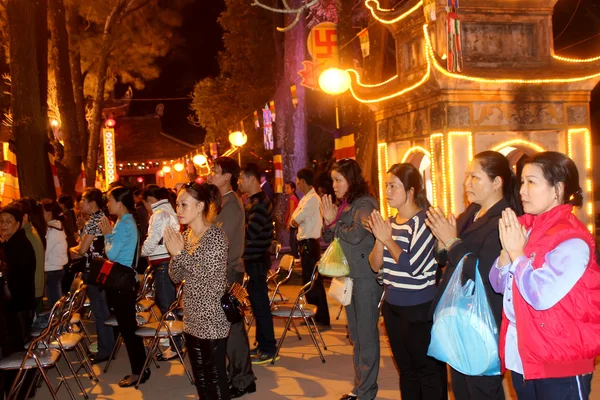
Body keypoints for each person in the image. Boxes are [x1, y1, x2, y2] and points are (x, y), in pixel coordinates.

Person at [490, 152, 600, 399]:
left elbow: (540, 295)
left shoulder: (572, 240)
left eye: (532, 182)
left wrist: (516, 253)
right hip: (524, 354)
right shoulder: (526, 228)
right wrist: (507, 254)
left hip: (559, 360)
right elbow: (498, 285)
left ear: (557, 189)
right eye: (522, 182)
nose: (522, 191)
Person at [425, 151, 520, 400]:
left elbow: (484, 272)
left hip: (484, 320)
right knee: (461, 389)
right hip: (459, 317)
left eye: (475, 177)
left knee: (481, 390)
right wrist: (441, 240)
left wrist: (451, 240)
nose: (467, 183)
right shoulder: (472, 212)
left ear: (497, 182)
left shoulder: (504, 219)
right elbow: (445, 259)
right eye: (467, 176)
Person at [368, 163, 446, 400]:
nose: (388, 191)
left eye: (394, 186)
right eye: (386, 186)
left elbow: (413, 267)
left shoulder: (423, 222)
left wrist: (387, 239)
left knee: (427, 372)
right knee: (407, 371)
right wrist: (380, 240)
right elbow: (374, 265)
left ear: (411, 191)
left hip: (419, 309)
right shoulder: (389, 222)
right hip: (393, 307)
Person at [321, 159, 382, 400]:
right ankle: (359, 388)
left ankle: (366, 392)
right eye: (333, 180)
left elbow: (356, 235)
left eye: (338, 180)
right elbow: (328, 236)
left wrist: (334, 222)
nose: (334, 185)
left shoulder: (365, 203)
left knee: (366, 338)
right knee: (356, 337)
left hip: (365, 278)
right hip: (350, 278)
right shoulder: (347, 204)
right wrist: (329, 221)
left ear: (351, 180)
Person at [165, 182, 231, 399]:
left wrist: (181, 255)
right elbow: (175, 277)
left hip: (212, 316)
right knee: (200, 376)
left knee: (215, 376)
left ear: (200, 206)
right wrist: (176, 254)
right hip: (192, 315)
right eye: (177, 204)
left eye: (184, 204)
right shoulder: (186, 237)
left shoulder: (215, 237)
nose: (179, 210)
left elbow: (211, 280)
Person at [209, 157, 256, 397]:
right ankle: (237, 374)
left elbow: (217, 240)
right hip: (226, 270)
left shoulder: (230, 205)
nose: (210, 175)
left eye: (214, 172)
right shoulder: (221, 203)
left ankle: (243, 379)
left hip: (230, 271)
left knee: (233, 326)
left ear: (227, 176)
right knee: (228, 325)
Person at [100, 186, 148, 387]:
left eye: (110, 200)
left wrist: (107, 235)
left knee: (129, 329)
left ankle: (139, 370)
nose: (108, 204)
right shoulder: (124, 221)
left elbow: (111, 254)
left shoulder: (124, 224)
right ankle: (141, 367)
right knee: (128, 328)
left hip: (122, 283)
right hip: (123, 282)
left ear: (120, 203)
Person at [69, 188, 115, 364]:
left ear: (91, 203)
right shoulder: (102, 218)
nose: (80, 204)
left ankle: (105, 349)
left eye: (82, 200)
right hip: (103, 269)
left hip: (94, 270)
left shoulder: (94, 221)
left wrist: (71, 250)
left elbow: (81, 250)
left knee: (100, 312)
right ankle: (107, 346)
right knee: (103, 310)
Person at [238, 163, 277, 365]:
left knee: (261, 306)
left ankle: (269, 348)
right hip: (255, 260)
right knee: (257, 304)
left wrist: (238, 228)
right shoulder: (254, 201)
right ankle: (262, 345)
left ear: (252, 178)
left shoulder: (260, 203)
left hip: (257, 261)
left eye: (241, 178)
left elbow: (250, 233)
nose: (239, 182)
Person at [140, 185, 181, 361]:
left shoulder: (159, 214)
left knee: (166, 305)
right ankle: (176, 341)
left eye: (144, 204)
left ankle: (175, 346)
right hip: (166, 261)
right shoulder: (167, 210)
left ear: (150, 200)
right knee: (169, 303)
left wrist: (142, 251)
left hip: (163, 262)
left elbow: (153, 238)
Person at [0, 205, 36, 399]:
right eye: (1, 221)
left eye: (8, 221)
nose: (3, 225)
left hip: (19, 307)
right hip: (19, 305)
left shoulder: (18, 245)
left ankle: (20, 391)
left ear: (18, 223)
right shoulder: (11, 242)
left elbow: (13, 278)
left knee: (16, 352)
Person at [290, 168, 330, 328]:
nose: (297, 184)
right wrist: (295, 219)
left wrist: (295, 220)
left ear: (303, 181)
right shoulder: (306, 198)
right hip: (304, 244)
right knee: (308, 281)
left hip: (310, 244)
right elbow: (294, 218)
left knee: (314, 282)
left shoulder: (312, 199)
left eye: (298, 181)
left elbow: (295, 220)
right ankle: (312, 316)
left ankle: (322, 319)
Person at [16, 198, 46, 312]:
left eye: (9, 220)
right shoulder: (32, 230)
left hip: (32, 290)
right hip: (36, 288)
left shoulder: (25, 236)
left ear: (24, 217)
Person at [41, 199, 68, 306]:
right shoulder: (56, 227)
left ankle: (59, 322)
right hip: (54, 268)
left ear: (48, 213)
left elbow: (46, 250)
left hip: (53, 269)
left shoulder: (53, 230)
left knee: (56, 304)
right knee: (55, 301)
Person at [58, 195, 80, 293]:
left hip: (69, 246)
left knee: (68, 273)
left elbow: (71, 230)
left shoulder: (66, 216)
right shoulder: (72, 213)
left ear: (62, 205)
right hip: (71, 245)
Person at [284, 181, 299, 259]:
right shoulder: (293, 197)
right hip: (294, 222)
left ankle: (294, 257)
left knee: (292, 241)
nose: (286, 190)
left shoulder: (292, 198)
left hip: (293, 222)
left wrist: (288, 224)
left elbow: (291, 213)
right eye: (285, 188)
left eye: (287, 188)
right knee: (293, 241)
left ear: (293, 189)